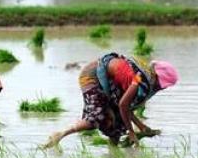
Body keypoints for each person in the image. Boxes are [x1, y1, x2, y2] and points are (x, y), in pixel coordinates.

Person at [44, 53, 178, 148]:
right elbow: (123, 105)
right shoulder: (139, 80)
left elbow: (126, 108)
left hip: (108, 80)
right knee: (98, 117)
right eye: (162, 85)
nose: (162, 89)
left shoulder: (145, 79)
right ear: (157, 79)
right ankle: (60, 135)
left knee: (118, 124)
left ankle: (113, 154)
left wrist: (142, 127)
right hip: (92, 75)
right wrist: (132, 132)